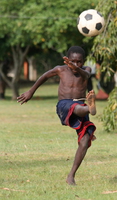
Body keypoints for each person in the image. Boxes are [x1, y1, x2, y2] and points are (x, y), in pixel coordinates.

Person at [17, 46, 97, 185]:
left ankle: (71, 176)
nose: (76, 64)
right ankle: (90, 109)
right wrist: (31, 92)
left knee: (84, 141)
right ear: (67, 61)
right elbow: (44, 76)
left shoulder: (86, 70)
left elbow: (86, 75)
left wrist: (77, 68)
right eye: (73, 61)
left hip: (80, 103)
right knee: (78, 108)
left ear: (83, 61)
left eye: (79, 61)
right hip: (64, 105)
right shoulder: (60, 69)